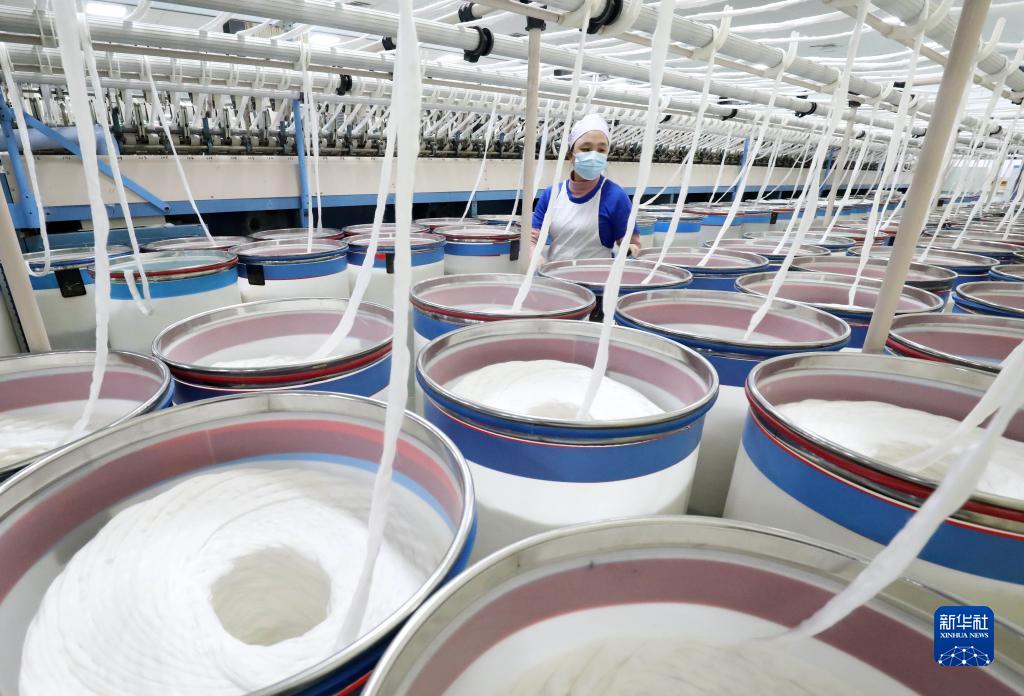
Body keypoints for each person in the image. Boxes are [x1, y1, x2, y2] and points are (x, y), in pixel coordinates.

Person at [531, 113, 641, 262]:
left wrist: (630, 248)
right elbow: (531, 239)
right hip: (555, 274)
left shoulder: (616, 196)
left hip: (597, 275)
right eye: (586, 149)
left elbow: (631, 243)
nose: (594, 156)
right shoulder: (552, 194)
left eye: (601, 150)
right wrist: (535, 259)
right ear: (571, 155)